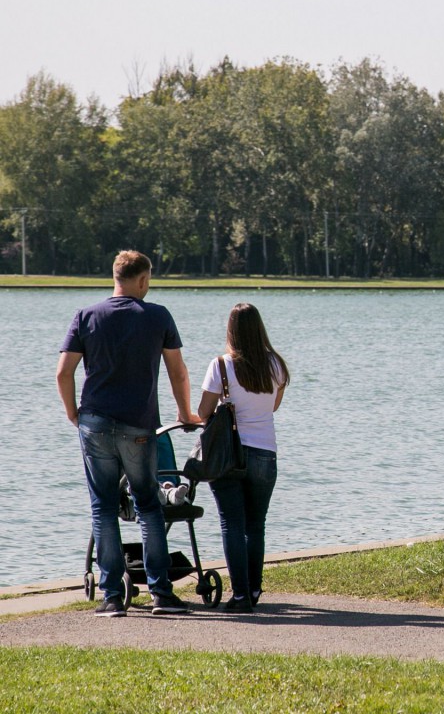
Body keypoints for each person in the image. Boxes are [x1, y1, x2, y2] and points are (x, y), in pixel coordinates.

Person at [56, 250, 198, 617]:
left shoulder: (86, 316)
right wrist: (185, 413)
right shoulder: (158, 316)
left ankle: (112, 597)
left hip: (94, 423)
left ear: (115, 277)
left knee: (103, 506)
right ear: (143, 279)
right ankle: (161, 594)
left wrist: (73, 413)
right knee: (148, 504)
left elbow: (63, 372)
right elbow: (178, 372)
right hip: (139, 424)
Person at [199, 303, 290, 613]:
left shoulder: (221, 366)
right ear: (259, 328)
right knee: (256, 525)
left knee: (232, 524)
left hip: (229, 455)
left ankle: (240, 596)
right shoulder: (276, 365)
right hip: (265, 453)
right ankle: (253, 588)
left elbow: (204, 412)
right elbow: (273, 406)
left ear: (231, 331)